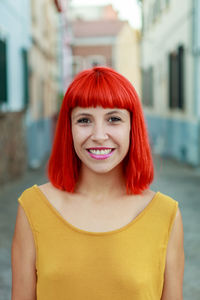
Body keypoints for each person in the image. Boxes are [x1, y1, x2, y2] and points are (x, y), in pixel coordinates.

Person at [11, 66, 184, 300]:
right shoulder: (32, 207)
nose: (99, 135)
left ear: (133, 127)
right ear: (68, 129)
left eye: (114, 119)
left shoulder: (166, 214)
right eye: (84, 120)